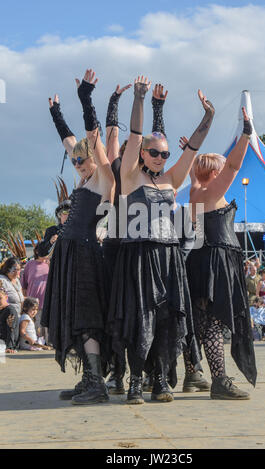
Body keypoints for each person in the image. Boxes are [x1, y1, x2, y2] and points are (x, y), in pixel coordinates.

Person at [107, 77, 213, 404]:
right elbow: (137, 135)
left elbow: (192, 149)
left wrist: (208, 117)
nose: (160, 158)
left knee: (167, 320)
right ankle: (136, 381)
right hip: (137, 257)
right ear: (143, 154)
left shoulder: (171, 179)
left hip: (168, 258)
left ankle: (160, 380)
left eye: (165, 154)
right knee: (142, 319)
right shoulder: (129, 174)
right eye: (154, 153)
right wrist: (139, 100)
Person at [42, 69, 115, 405]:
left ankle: (97, 383)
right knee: (75, 315)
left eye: (82, 159)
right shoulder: (82, 174)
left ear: (93, 158)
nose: (77, 163)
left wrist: (86, 98)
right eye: (74, 160)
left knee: (87, 316)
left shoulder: (101, 179)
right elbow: (70, 141)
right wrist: (56, 113)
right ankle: (89, 378)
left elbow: (92, 137)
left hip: (85, 253)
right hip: (69, 255)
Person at [186, 106, 257, 400]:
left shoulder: (194, 193)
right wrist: (246, 133)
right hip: (218, 260)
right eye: (220, 166)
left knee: (201, 325)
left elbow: (197, 176)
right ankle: (219, 381)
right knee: (213, 324)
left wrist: (191, 161)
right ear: (214, 173)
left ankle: (194, 373)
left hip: (201, 260)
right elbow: (234, 167)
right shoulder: (213, 193)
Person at [21, 244, 50, 341]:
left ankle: (47, 343)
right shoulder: (30, 264)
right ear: (37, 251)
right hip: (33, 302)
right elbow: (24, 284)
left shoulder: (50, 264)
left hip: (47, 301)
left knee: (47, 327)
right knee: (35, 327)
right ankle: (37, 344)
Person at [38, 178, 71, 258]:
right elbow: (41, 253)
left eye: (71, 213)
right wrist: (50, 242)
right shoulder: (52, 230)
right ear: (60, 215)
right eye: (66, 212)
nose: (69, 215)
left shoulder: (79, 230)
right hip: (58, 267)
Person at [0, 280, 19, 353]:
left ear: (6, 297)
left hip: (6, 343)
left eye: (0, 298)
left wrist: (10, 346)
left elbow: (12, 329)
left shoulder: (10, 310)